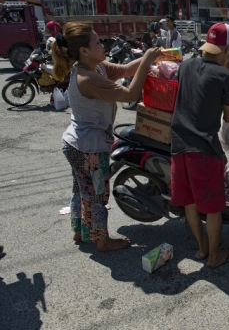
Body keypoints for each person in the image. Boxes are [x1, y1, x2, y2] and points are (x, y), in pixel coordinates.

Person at [52, 22, 161, 251]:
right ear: (84, 50)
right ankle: (102, 240)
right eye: (98, 42)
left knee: (81, 189)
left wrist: (154, 57)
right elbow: (130, 93)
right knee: (98, 195)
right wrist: (148, 61)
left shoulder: (95, 67)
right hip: (89, 147)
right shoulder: (88, 78)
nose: (103, 45)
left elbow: (124, 70)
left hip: (75, 143)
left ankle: (79, 231)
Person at [170, 23, 229, 269]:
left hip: (178, 145)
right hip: (204, 150)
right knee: (212, 208)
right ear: (228, 50)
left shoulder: (186, 65)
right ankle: (214, 256)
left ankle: (201, 248)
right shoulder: (225, 76)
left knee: (190, 202)